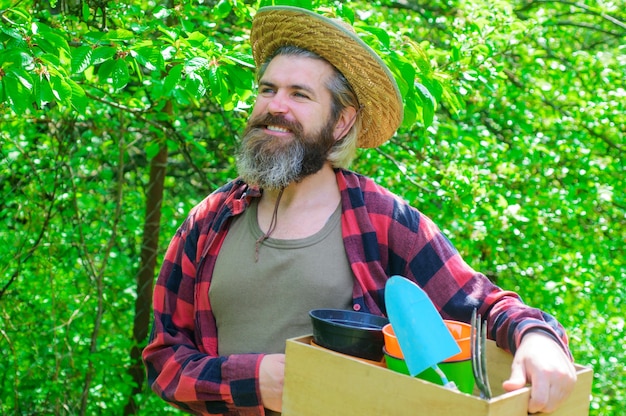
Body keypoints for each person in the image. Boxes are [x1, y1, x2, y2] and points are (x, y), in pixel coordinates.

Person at [143, 5, 577, 416]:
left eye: (299, 94)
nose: (276, 105)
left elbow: (482, 306)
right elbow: (164, 359)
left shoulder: (383, 219)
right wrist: (255, 381)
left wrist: (538, 337)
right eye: (267, 89)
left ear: (342, 122)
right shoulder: (211, 220)